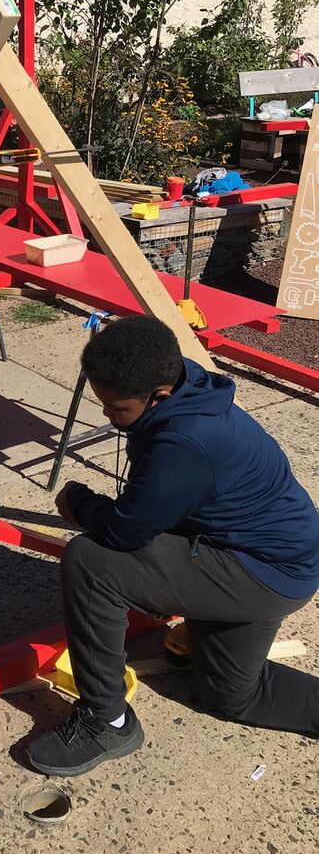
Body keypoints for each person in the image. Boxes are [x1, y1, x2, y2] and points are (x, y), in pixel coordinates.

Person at [26, 315, 319, 778]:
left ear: (158, 395)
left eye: (117, 409)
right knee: (230, 695)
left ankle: (108, 721)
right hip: (270, 556)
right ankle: (204, 619)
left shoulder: (186, 440)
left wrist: (80, 502)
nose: (107, 416)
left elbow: (125, 532)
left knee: (93, 562)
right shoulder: (181, 384)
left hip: (264, 572)